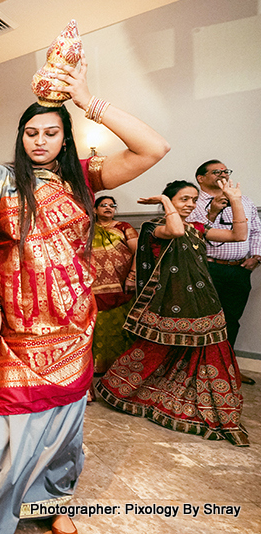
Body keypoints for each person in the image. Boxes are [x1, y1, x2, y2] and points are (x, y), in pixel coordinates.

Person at [0, 20, 170, 534]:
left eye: (51, 132)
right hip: (13, 327)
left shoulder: (85, 180)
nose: (40, 141)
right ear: (19, 137)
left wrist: (87, 98)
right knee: (7, 430)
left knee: (61, 427)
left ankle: (48, 502)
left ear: (66, 138)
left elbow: (154, 148)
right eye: (31, 132)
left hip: (70, 324)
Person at [95, 180, 249, 446]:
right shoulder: (155, 227)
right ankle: (127, 390)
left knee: (210, 349)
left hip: (203, 300)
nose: (189, 204)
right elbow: (175, 231)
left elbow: (238, 236)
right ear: (169, 201)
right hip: (169, 302)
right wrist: (166, 203)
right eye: (183, 199)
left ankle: (196, 402)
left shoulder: (197, 229)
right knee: (158, 349)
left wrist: (235, 200)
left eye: (193, 200)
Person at [188, 160, 261, 386]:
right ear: (201, 178)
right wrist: (213, 210)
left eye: (225, 171)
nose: (223, 174)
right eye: (216, 171)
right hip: (209, 269)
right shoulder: (193, 202)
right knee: (204, 322)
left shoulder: (243, 200)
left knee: (232, 321)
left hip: (239, 270)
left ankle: (228, 370)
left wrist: (257, 257)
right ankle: (200, 372)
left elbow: (256, 230)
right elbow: (193, 234)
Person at [90, 195, 137, 377]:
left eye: (112, 205)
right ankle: (97, 367)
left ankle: (121, 368)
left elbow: (138, 252)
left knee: (121, 327)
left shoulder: (124, 227)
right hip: (94, 289)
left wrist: (132, 276)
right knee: (98, 327)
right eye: (104, 205)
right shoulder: (87, 229)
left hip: (122, 286)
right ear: (95, 210)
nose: (108, 208)